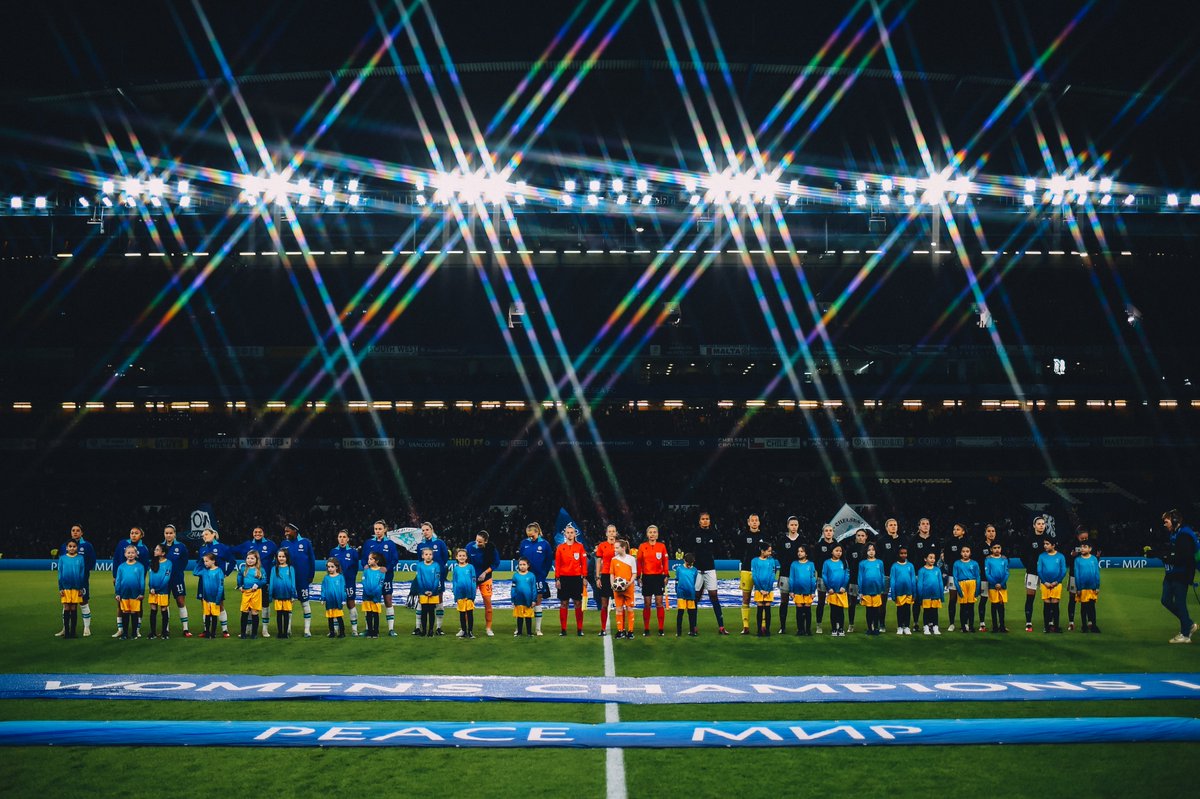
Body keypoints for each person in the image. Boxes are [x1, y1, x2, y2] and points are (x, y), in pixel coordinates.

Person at [1160, 510, 1197, 644]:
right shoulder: (1177, 534)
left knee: (1180, 603)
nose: (1164, 524)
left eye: (1166, 521)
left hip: (1182, 573)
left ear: (1175, 521)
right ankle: (1189, 624)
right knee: (1165, 600)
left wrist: (1167, 558)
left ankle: (1185, 634)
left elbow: (1185, 557)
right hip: (1173, 573)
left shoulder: (1184, 535)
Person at [688, 511, 727, 634]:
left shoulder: (714, 534)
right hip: (698, 570)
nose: (705, 521)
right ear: (699, 521)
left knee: (714, 596)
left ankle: (721, 627)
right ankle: (693, 626)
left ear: (710, 521)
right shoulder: (694, 534)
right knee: (696, 597)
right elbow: (688, 548)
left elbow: (719, 548)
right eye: (703, 519)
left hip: (710, 569)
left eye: (707, 519)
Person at [234, 526, 277, 636]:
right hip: (248, 587)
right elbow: (234, 550)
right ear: (253, 533)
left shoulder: (271, 545)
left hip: (264, 582)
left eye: (260, 532)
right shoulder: (248, 544)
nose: (257, 533)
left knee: (265, 605)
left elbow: (279, 557)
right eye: (255, 532)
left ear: (263, 533)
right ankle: (248, 630)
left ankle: (265, 629)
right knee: (248, 608)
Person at [360, 520, 401, 636]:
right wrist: (365, 565)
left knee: (388, 600)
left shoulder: (390, 544)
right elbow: (363, 558)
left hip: (386, 577)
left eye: (379, 529)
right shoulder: (368, 543)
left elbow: (395, 559)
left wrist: (387, 568)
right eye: (375, 529)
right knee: (369, 602)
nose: (377, 531)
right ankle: (368, 629)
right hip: (371, 578)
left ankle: (391, 629)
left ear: (385, 529)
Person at [194, 528, 235, 638]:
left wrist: (226, 573)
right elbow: (199, 564)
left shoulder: (222, 547)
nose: (204, 536)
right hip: (203, 581)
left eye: (206, 534)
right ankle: (206, 630)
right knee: (205, 605)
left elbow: (232, 561)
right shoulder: (202, 549)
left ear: (214, 534)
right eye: (203, 535)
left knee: (220, 604)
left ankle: (224, 630)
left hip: (216, 582)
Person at [56, 524, 95, 637]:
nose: (75, 532)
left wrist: (82, 574)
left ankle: (86, 628)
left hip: (81, 581)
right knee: (66, 605)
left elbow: (92, 562)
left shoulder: (87, 546)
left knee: (83, 602)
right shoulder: (64, 545)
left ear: (82, 533)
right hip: (67, 583)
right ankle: (65, 628)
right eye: (73, 530)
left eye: (78, 530)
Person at [111, 527, 150, 638]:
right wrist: (115, 575)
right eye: (131, 533)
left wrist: (140, 585)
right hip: (122, 580)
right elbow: (116, 559)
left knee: (138, 605)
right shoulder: (122, 543)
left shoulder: (143, 549)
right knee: (121, 604)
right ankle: (121, 629)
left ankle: (136, 629)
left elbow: (145, 567)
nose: (133, 535)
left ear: (141, 535)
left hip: (135, 583)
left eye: (136, 533)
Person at [280, 523, 316, 638]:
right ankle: (288, 629)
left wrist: (311, 576)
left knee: (305, 602)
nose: (286, 533)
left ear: (295, 531)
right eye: (285, 531)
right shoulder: (284, 544)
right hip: (288, 580)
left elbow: (312, 560)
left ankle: (307, 630)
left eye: (288, 531)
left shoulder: (306, 543)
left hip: (302, 579)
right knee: (288, 603)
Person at [415, 522, 450, 635]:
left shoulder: (439, 543)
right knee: (421, 602)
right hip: (424, 578)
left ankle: (438, 628)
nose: (425, 532)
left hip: (437, 577)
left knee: (439, 601)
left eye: (427, 530)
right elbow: (420, 561)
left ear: (432, 530)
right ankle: (418, 627)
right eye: (423, 530)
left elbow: (445, 558)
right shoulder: (420, 545)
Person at [519, 522, 553, 636]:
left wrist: (543, 574)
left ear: (537, 532)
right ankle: (519, 628)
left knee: (538, 601)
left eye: (532, 535)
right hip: (525, 577)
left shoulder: (545, 544)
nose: (530, 537)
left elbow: (548, 561)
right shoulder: (524, 543)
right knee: (523, 601)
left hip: (539, 577)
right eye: (528, 535)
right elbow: (521, 559)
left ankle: (538, 629)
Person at [554, 523, 588, 636]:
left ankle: (580, 629)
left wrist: (584, 577)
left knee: (578, 603)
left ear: (575, 534)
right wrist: (557, 579)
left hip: (577, 579)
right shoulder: (560, 548)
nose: (570, 534)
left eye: (571, 532)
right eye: (568, 532)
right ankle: (563, 630)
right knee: (564, 603)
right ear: (565, 534)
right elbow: (557, 565)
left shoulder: (580, 547)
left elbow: (584, 563)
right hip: (563, 578)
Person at [158, 525, 192, 637]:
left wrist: (177, 571)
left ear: (174, 534)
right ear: (164, 534)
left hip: (177, 578)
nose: (168, 535)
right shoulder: (160, 547)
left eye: (170, 533)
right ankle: (165, 629)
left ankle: (185, 629)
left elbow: (184, 561)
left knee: (180, 602)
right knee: (164, 603)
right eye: (166, 533)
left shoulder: (181, 546)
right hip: (163, 580)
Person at [738, 514, 769, 635]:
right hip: (747, 570)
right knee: (746, 598)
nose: (754, 522)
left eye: (756, 520)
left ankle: (763, 625)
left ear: (759, 522)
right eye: (752, 520)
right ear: (748, 522)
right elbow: (739, 550)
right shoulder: (743, 536)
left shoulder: (764, 536)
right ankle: (745, 626)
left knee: (762, 598)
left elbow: (767, 552)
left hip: (761, 571)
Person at [637, 524, 670, 636]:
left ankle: (661, 629)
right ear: (647, 534)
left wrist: (666, 575)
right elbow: (639, 562)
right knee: (647, 603)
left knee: (659, 603)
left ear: (657, 534)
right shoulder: (642, 546)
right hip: (646, 577)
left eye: (654, 532)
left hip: (658, 578)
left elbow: (665, 562)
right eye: (650, 532)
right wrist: (638, 576)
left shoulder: (662, 546)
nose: (652, 534)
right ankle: (646, 629)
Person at [465, 530, 499, 636]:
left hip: (486, 577)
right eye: (476, 540)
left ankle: (488, 628)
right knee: (468, 603)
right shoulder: (469, 547)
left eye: (480, 542)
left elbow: (496, 563)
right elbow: (464, 560)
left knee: (488, 602)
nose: (477, 543)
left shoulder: (491, 549)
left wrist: (485, 573)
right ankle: (464, 628)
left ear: (486, 541)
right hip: (472, 578)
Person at [1066, 526, 1098, 632]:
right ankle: (1071, 622)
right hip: (1073, 576)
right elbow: (1066, 559)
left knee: (1088, 600)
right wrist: (1071, 555)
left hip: (1086, 579)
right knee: (1072, 598)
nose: (1084, 540)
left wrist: (1097, 557)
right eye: (1082, 538)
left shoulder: (1091, 545)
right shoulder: (1072, 544)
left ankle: (1089, 622)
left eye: (1086, 538)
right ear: (1077, 537)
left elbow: (1093, 560)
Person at [329, 530, 360, 636]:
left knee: (351, 603)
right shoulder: (333, 551)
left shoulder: (353, 552)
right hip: (336, 583)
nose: (342, 539)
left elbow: (355, 567)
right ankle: (336, 630)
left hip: (349, 582)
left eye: (344, 537)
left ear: (347, 539)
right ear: (337, 538)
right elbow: (330, 567)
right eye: (340, 537)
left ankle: (354, 630)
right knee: (336, 605)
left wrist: (350, 578)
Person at [1021, 515, 1050, 632]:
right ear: (1034, 526)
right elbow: (1022, 555)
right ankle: (1028, 622)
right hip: (1032, 573)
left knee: (1048, 598)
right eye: (1039, 524)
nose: (1041, 525)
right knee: (1030, 597)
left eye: (1043, 524)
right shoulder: (1029, 539)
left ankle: (1049, 622)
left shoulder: (1048, 539)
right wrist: (1029, 566)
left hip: (1046, 573)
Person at [776, 516, 803, 634]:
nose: (794, 527)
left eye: (796, 525)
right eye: (792, 524)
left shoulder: (802, 539)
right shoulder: (782, 540)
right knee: (784, 601)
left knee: (799, 602)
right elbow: (779, 555)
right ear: (788, 525)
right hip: (785, 574)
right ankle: (782, 627)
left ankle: (800, 627)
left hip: (799, 576)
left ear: (798, 526)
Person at [56, 539, 87, 639]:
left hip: (76, 588)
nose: (72, 548)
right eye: (70, 546)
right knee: (66, 608)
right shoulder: (62, 558)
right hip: (65, 587)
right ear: (66, 548)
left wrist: (81, 587)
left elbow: (82, 573)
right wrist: (60, 587)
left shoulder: (80, 558)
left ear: (77, 547)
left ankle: (73, 632)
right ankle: (66, 632)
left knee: (73, 608)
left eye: (74, 546)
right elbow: (60, 573)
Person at [877, 518, 904, 632]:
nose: (893, 527)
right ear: (886, 527)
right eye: (891, 525)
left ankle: (902, 624)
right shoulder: (881, 541)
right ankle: (882, 624)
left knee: (901, 601)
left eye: (895, 525)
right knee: (882, 602)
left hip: (900, 575)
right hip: (885, 576)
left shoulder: (904, 540)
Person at [411, 547, 444, 638]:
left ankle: (430, 631)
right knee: (424, 612)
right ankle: (424, 630)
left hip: (434, 593)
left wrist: (432, 591)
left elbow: (437, 580)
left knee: (431, 612)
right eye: (426, 554)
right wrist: (424, 591)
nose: (428, 556)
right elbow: (419, 579)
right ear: (422, 556)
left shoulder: (436, 565)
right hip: (423, 592)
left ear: (432, 555)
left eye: (430, 554)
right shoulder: (420, 565)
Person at [942, 523, 969, 631]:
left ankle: (965, 623)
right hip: (953, 575)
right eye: (954, 529)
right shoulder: (949, 542)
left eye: (958, 529)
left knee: (964, 600)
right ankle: (951, 623)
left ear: (963, 531)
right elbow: (947, 559)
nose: (955, 531)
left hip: (965, 576)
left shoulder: (968, 542)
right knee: (952, 599)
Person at [1037, 538, 1067, 633]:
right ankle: (1046, 627)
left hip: (1056, 584)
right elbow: (1039, 570)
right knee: (1046, 605)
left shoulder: (1060, 556)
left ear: (1053, 545)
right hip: (1045, 584)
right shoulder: (1041, 556)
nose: (1045, 545)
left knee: (1055, 605)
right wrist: (1044, 581)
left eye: (1047, 544)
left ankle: (1056, 626)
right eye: (1044, 544)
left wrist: (1056, 582)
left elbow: (1063, 571)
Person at [593, 524, 619, 635]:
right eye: (610, 531)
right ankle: (603, 629)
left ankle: (620, 629)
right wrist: (598, 577)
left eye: (613, 531)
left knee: (619, 605)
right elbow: (598, 562)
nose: (612, 533)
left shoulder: (620, 545)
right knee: (604, 604)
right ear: (606, 533)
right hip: (605, 576)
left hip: (618, 577)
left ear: (616, 533)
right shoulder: (602, 546)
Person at [610, 539, 638, 640]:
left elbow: (634, 573)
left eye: (617, 547)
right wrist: (613, 584)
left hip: (628, 588)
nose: (615, 549)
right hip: (617, 590)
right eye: (615, 547)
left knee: (630, 609)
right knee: (618, 609)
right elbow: (612, 574)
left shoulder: (631, 559)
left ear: (623, 548)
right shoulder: (613, 559)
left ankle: (630, 631)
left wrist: (628, 584)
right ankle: (620, 630)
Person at [811, 524, 837, 634]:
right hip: (822, 578)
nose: (829, 532)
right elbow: (815, 561)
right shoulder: (818, 545)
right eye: (826, 530)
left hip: (835, 579)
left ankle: (835, 625)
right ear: (823, 532)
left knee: (834, 603)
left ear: (833, 532)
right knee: (821, 602)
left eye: (830, 530)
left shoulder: (837, 545)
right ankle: (819, 625)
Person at [821, 544, 849, 637]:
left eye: (840, 551)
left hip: (841, 591)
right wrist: (829, 588)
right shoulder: (827, 563)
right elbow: (824, 575)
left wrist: (844, 586)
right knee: (833, 610)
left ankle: (841, 628)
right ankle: (833, 628)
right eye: (836, 551)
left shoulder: (844, 562)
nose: (839, 553)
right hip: (832, 591)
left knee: (840, 611)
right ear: (832, 551)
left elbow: (847, 575)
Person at [788, 545, 818, 636]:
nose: (799, 553)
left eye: (802, 551)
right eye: (798, 551)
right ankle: (800, 629)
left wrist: (813, 591)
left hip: (808, 591)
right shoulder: (794, 564)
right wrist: (791, 590)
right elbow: (791, 578)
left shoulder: (811, 564)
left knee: (807, 611)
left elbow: (813, 578)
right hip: (797, 591)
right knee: (799, 611)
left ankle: (808, 630)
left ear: (806, 553)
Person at [845, 528, 871, 633]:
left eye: (862, 535)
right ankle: (851, 624)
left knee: (869, 603)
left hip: (867, 581)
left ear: (866, 537)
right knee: (852, 603)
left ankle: (871, 624)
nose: (860, 537)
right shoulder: (851, 549)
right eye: (858, 535)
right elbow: (848, 565)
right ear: (856, 537)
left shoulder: (870, 549)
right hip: (853, 580)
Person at [857, 543, 886, 636]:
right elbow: (860, 577)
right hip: (866, 590)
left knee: (876, 610)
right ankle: (870, 628)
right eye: (869, 550)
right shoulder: (862, 563)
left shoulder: (880, 563)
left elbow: (882, 575)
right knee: (869, 610)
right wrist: (861, 591)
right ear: (866, 551)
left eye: (873, 550)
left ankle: (876, 628)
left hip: (877, 590)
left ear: (875, 551)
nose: (871, 552)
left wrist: (882, 587)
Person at [237, 549, 267, 639]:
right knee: (244, 612)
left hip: (256, 593)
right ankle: (243, 633)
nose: (249, 560)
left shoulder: (260, 569)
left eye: (252, 558)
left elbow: (264, 580)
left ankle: (254, 634)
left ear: (256, 560)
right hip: (246, 592)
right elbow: (239, 577)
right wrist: (240, 586)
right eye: (248, 558)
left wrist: (258, 584)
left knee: (254, 612)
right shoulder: (243, 569)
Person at [975, 524, 999, 631]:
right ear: (985, 533)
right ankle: (982, 623)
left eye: (993, 531)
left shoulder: (998, 546)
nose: (991, 533)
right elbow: (976, 562)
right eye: (989, 531)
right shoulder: (980, 546)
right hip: (984, 578)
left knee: (997, 601)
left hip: (997, 579)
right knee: (984, 599)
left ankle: (998, 624)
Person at [1073, 541, 1101, 633]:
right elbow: (1077, 574)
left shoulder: (1094, 559)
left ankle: (1094, 625)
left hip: (1092, 587)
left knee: (1092, 607)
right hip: (1083, 588)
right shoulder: (1077, 560)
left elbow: (1097, 573)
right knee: (1084, 607)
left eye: (1085, 547)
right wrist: (1078, 588)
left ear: (1090, 549)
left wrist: (1097, 586)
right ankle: (1084, 626)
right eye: (1081, 547)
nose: (1082, 549)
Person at [450, 548, 478, 639]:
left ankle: (470, 632)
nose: (462, 557)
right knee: (462, 614)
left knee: (469, 613)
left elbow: (474, 581)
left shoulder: (470, 567)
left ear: (466, 557)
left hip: (469, 595)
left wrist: (473, 595)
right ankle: (463, 631)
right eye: (460, 556)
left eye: (463, 556)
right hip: (460, 595)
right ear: (456, 557)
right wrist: (455, 594)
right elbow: (454, 582)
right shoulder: (456, 569)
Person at [750, 543, 778, 637]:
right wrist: (760, 588)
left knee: (767, 609)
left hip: (768, 589)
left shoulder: (772, 561)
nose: (770, 553)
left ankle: (767, 630)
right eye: (768, 551)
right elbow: (754, 575)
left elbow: (772, 575)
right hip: (759, 589)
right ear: (762, 551)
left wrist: (768, 589)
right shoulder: (754, 561)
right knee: (760, 609)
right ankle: (759, 630)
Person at [269, 549, 297, 638]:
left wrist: (293, 595)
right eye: (279, 556)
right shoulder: (274, 569)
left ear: (287, 557)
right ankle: (279, 632)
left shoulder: (290, 568)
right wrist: (270, 594)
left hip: (287, 595)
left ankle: (285, 633)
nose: (281, 558)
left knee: (286, 614)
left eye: (283, 556)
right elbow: (271, 582)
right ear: (277, 558)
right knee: (279, 614)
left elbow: (293, 582)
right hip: (278, 595)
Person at [146, 544, 173, 639]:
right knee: (153, 610)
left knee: (163, 610)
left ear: (163, 553)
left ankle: (164, 632)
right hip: (153, 591)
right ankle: (153, 632)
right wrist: (151, 587)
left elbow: (166, 578)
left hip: (163, 590)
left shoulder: (168, 563)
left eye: (157, 550)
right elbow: (151, 577)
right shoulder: (153, 562)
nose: (155, 551)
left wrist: (157, 589)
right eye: (155, 549)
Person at [197, 552, 226, 639]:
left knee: (214, 617)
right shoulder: (204, 571)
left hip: (215, 598)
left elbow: (221, 586)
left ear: (213, 561)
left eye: (206, 561)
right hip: (206, 598)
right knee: (207, 615)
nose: (205, 563)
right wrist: (200, 562)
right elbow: (195, 572)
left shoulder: (219, 571)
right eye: (204, 561)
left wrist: (218, 598)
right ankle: (207, 632)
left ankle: (213, 633)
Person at [952, 545, 980, 633]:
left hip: (972, 584)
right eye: (963, 551)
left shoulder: (974, 563)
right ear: (961, 553)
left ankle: (971, 626)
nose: (965, 553)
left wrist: (977, 589)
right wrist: (959, 590)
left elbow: (978, 576)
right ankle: (963, 626)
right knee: (963, 607)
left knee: (971, 607)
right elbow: (955, 577)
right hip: (962, 584)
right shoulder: (957, 563)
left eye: (967, 551)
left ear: (970, 553)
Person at [889, 547, 917, 635]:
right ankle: (900, 626)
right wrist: (893, 593)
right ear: (898, 554)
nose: (903, 555)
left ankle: (907, 627)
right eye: (901, 553)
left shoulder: (910, 565)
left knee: (907, 609)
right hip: (899, 592)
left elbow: (913, 579)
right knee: (900, 610)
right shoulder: (895, 566)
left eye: (905, 553)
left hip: (908, 591)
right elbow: (892, 580)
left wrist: (914, 592)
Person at [359, 552, 388, 639]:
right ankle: (370, 631)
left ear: (377, 561)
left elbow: (380, 584)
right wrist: (367, 591)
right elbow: (363, 581)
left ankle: (375, 631)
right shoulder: (366, 570)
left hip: (376, 596)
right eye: (369, 559)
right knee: (368, 614)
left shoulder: (381, 571)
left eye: (371, 559)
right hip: (366, 596)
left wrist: (375, 592)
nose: (369, 560)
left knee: (375, 614)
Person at [984, 543, 1011, 633]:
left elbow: (1007, 572)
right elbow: (987, 573)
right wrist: (995, 583)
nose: (997, 549)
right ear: (991, 549)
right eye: (994, 548)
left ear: (1001, 548)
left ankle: (1002, 626)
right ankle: (995, 626)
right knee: (994, 605)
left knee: (1001, 605)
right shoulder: (988, 560)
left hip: (1002, 586)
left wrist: (1002, 583)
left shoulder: (1004, 559)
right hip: (992, 586)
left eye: (998, 547)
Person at [916, 551, 944, 635]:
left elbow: (940, 583)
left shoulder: (937, 570)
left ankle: (935, 627)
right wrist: (920, 596)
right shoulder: (922, 570)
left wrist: (941, 595)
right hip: (926, 595)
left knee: (934, 611)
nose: (932, 560)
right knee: (927, 611)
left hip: (936, 595)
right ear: (925, 559)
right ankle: (926, 627)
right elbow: (920, 584)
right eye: (930, 558)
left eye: (934, 558)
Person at [674, 553, 700, 636]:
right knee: (680, 613)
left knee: (691, 613)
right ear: (684, 560)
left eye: (691, 564)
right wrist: (677, 591)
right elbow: (677, 580)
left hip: (691, 593)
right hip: (681, 593)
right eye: (688, 563)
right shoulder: (679, 569)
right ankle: (679, 632)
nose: (689, 565)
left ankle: (692, 631)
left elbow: (694, 581)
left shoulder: (695, 570)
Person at [321, 558, 347, 638]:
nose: (330, 569)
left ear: (336, 567)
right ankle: (332, 632)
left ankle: (342, 632)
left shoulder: (340, 577)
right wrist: (323, 598)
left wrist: (343, 599)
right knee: (330, 617)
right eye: (328, 567)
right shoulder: (326, 578)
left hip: (338, 600)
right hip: (329, 601)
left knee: (339, 617)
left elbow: (343, 589)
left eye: (332, 567)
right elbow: (323, 588)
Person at [511, 558, 537, 637]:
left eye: (524, 564)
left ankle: (529, 632)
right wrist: (513, 599)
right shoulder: (515, 575)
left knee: (528, 617)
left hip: (528, 600)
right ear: (518, 565)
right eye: (520, 565)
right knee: (519, 617)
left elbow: (533, 588)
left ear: (528, 565)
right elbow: (513, 588)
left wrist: (533, 600)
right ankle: (519, 632)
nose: (522, 566)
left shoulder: (531, 575)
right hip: (518, 600)